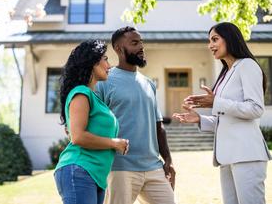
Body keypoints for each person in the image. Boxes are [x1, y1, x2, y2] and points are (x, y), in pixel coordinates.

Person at [173, 22, 272, 204]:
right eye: (209, 40)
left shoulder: (247, 66)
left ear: (231, 38)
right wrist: (200, 119)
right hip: (227, 157)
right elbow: (227, 118)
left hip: (247, 154)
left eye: (215, 39)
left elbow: (255, 108)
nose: (210, 45)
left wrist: (216, 102)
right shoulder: (226, 73)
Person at [96, 26, 175, 204]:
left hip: (153, 166)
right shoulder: (104, 82)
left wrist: (168, 160)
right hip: (120, 167)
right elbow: (94, 124)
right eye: (134, 43)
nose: (141, 47)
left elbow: (158, 126)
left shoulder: (149, 84)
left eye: (141, 42)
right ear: (118, 49)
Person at [54, 40, 129, 204]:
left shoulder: (93, 96)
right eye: (106, 59)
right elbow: (78, 137)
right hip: (80, 169)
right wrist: (114, 143)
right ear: (93, 62)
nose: (109, 65)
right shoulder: (81, 93)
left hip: (94, 175)